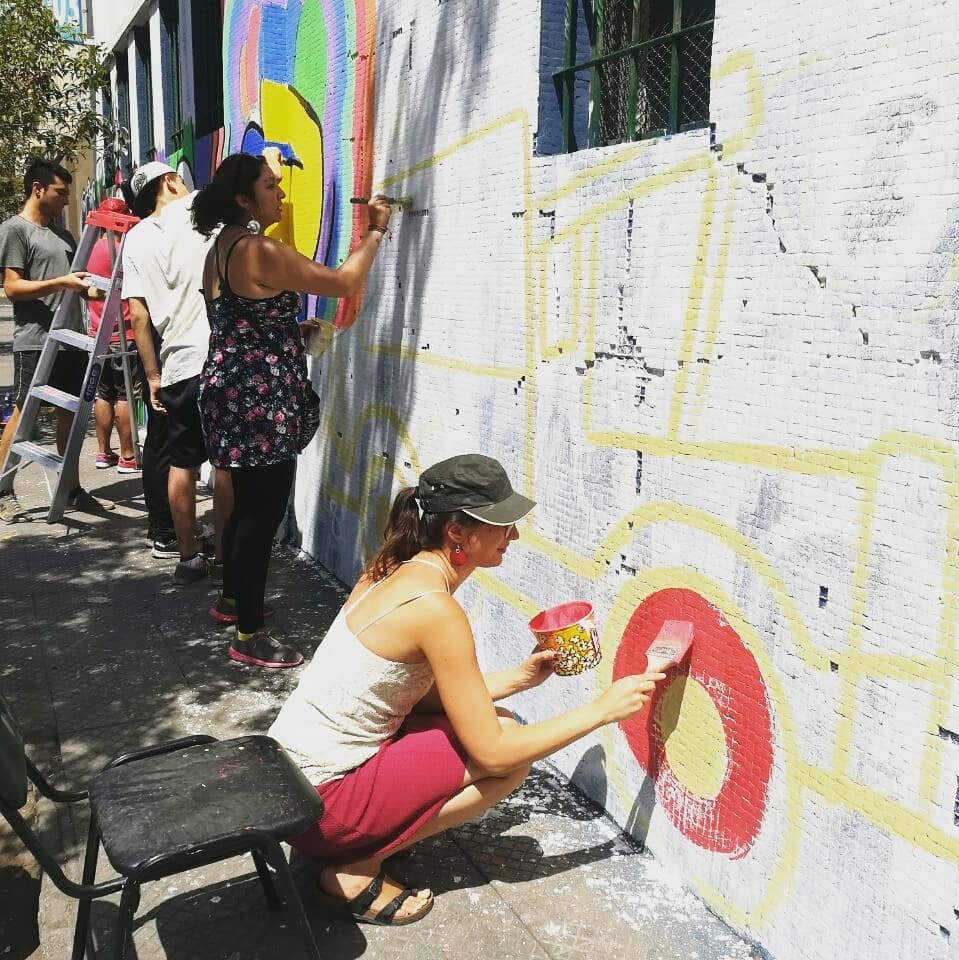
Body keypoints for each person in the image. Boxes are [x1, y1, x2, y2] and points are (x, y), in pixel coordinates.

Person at [268, 453, 666, 925]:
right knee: (512, 755)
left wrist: (519, 679)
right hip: (323, 811)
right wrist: (602, 710)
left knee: (502, 725)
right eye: (502, 525)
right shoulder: (435, 609)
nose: (513, 536)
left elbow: (405, 692)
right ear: (457, 531)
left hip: (286, 785)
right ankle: (356, 866)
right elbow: (494, 755)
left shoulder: (391, 568)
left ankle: (363, 840)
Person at [191, 152, 392, 668]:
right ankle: (249, 634)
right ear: (244, 199)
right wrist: (375, 231)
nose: (280, 194)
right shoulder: (258, 249)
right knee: (263, 512)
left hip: (229, 390)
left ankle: (233, 599)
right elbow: (343, 283)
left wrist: (286, 331)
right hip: (260, 401)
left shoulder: (221, 247)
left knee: (244, 501)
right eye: (270, 186)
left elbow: (241, 318)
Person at [122, 161, 232, 576]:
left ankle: (187, 557)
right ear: (169, 181)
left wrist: (153, 376)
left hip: (176, 365)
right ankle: (225, 557)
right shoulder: (200, 207)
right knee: (226, 464)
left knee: (182, 463)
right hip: (217, 357)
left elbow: (137, 315)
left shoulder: (135, 238)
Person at [0, 158, 115, 521]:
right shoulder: (15, 230)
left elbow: (79, 288)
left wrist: (110, 293)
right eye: (60, 192)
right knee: (25, 414)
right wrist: (59, 283)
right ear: (38, 189)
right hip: (36, 341)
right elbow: (12, 287)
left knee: (71, 415)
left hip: (72, 341)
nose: (67, 200)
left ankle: (72, 489)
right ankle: (3, 490)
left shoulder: (64, 236)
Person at [86, 221, 142, 474]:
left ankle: (104, 452)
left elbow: (86, 290)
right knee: (124, 395)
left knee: (103, 394)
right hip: (124, 333)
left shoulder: (91, 249)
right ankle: (128, 455)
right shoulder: (124, 251)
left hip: (98, 334)